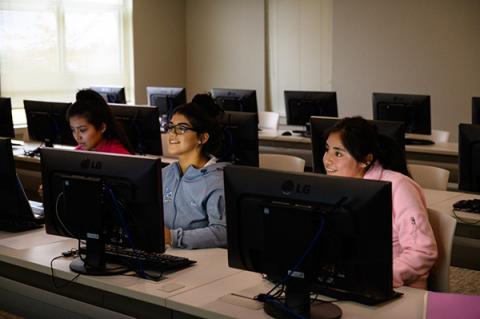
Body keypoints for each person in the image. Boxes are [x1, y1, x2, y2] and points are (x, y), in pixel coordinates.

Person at [322, 116, 438, 289]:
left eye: (338, 153)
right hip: (350, 281)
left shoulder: (399, 187)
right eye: (327, 149)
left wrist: (378, 278)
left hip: (398, 287)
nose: (327, 160)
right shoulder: (334, 185)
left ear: (365, 160)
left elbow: (422, 252)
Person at [162, 93, 228, 249]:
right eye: (170, 127)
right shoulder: (166, 173)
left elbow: (223, 232)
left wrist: (172, 237)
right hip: (168, 252)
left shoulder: (217, 181)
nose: (172, 133)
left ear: (203, 138)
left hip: (203, 260)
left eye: (182, 129)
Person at [66, 89, 133, 155]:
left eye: (82, 130)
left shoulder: (119, 156)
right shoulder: (77, 153)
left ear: (102, 127)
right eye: (73, 130)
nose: (77, 137)